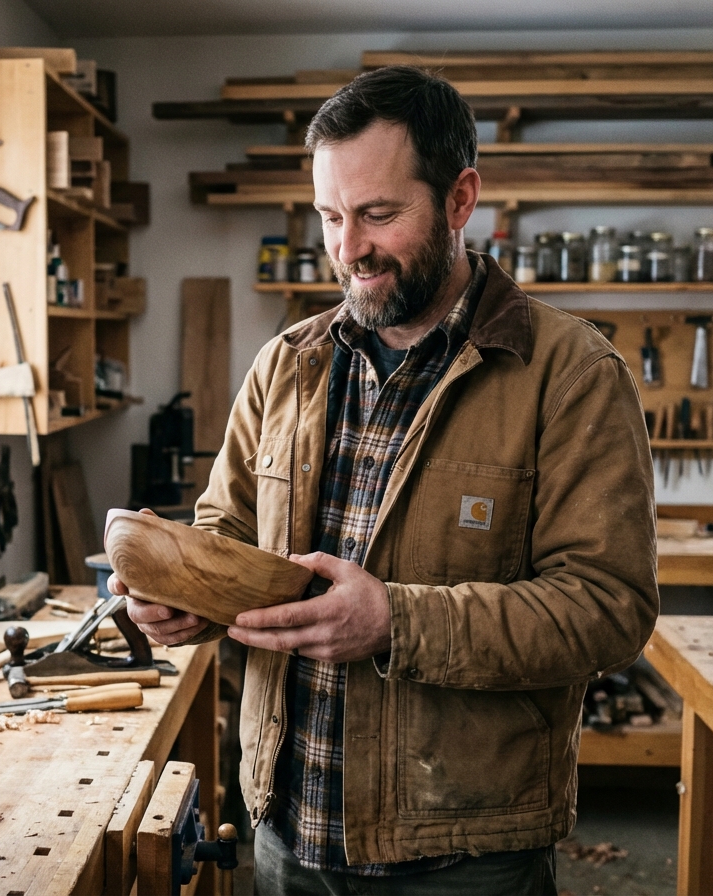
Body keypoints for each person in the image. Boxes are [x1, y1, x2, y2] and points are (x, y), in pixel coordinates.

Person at [112, 65, 659, 895]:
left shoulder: (570, 374)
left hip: (465, 855)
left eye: (378, 214)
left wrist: (397, 622)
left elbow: (609, 607)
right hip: (288, 829)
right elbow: (227, 535)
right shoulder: (284, 367)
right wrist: (183, 590)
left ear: (459, 198)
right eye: (331, 216)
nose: (348, 248)